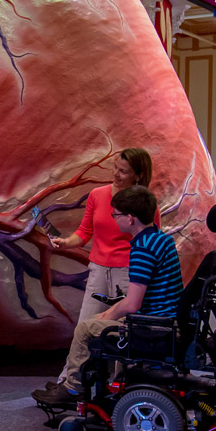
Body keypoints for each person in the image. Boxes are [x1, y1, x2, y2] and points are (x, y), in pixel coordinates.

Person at [32, 185, 182, 405]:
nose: (113, 218)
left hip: (151, 327)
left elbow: (132, 304)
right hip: (165, 320)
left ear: (130, 219)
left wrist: (107, 316)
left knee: (85, 328)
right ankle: (85, 383)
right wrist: (108, 314)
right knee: (98, 320)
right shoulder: (162, 240)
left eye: (116, 215)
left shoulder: (142, 250)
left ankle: (73, 389)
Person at [47, 148, 156, 385]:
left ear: (137, 176)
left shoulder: (144, 203)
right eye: (115, 167)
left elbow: (150, 239)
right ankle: (70, 381)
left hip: (129, 273)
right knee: (85, 325)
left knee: (121, 333)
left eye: (123, 171)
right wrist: (66, 242)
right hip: (98, 269)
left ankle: (118, 385)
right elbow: (85, 231)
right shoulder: (97, 195)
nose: (115, 174)